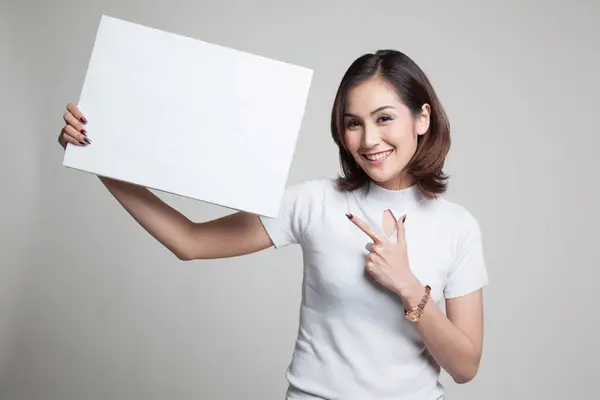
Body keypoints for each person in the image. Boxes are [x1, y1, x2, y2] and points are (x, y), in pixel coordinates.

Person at [58, 49, 488, 400]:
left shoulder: (457, 227)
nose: (369, 139)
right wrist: (99, 159)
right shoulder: (314, 202)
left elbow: (465, 367)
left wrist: (409, 287)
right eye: (353, 123)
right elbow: (190, 241)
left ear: (422, 118)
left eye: (384, 118)